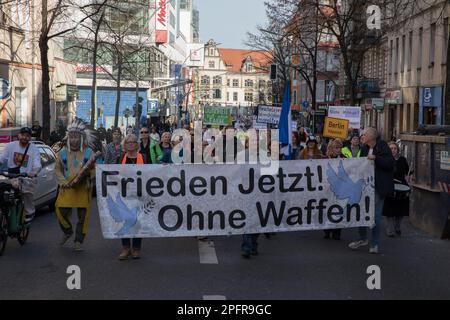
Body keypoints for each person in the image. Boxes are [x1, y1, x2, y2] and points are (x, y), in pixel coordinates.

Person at [349, 127, 395, 254]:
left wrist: (376, 158)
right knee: (361, 212)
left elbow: (390, 164)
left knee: (375, 216)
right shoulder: (364, 148)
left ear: (371, 136)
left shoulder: (383, 146)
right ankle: (362, 238)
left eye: (364, 134)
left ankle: (374, 243)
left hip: (378, 187)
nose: (361, 136)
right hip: (365, 186)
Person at [55, 119, 98, 251]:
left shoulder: (89, 152)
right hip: (67, 188)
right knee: (59, 210)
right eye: (71, 137)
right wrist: (64, 182)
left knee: (83, 217)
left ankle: (78, 241)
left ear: (82, 138)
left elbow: (94, 169)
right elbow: (57, 170)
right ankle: (68, 231)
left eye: (76, 137)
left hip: (83, 189)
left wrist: (88, 176)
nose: (74, 140)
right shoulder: (61, 152)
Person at [0, 127, 41, 224]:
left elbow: (37, 164)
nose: (24, 137)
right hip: (10, 176)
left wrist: (34, 172)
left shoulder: (34, 149)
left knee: (27, 191)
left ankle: (30, 212)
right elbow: (2, 159)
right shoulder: (10, 146)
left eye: (27, 136)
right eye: (23, 135)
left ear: (30, 138)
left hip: (25, 178)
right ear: (19, 135)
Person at [118, 134, 146, 260]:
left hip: (140, 194)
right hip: (124, 195)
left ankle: (136, 248)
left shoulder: (143, 158)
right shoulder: (120, 158)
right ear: (125, 144)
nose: (130, 144)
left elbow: (152, 173)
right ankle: (125, 248)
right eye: (128, 142)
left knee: (137, 221)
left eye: (133, 142)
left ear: (137, 144)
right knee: (125, 220)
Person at [383, 141, 411, 237]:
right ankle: (389, 230)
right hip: (390, 186)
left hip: (402, 186)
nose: (393, 150)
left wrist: (408, 177)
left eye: (395, 148)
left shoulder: (402, 159)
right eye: (391, 148)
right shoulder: (385, 159)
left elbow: (408, 172)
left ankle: (397, 226)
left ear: (397, 150)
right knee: (389, 210)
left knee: (401, 210)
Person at [323, 138, 344, 240]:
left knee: (339, 209)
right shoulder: (324, 159)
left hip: (340, 189)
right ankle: (327, 230)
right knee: (327, 208)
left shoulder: (344, 158)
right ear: (331, 148)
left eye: (340, 147)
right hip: (327, 189)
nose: (338, 150)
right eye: (336, 147)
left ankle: (337, 231)